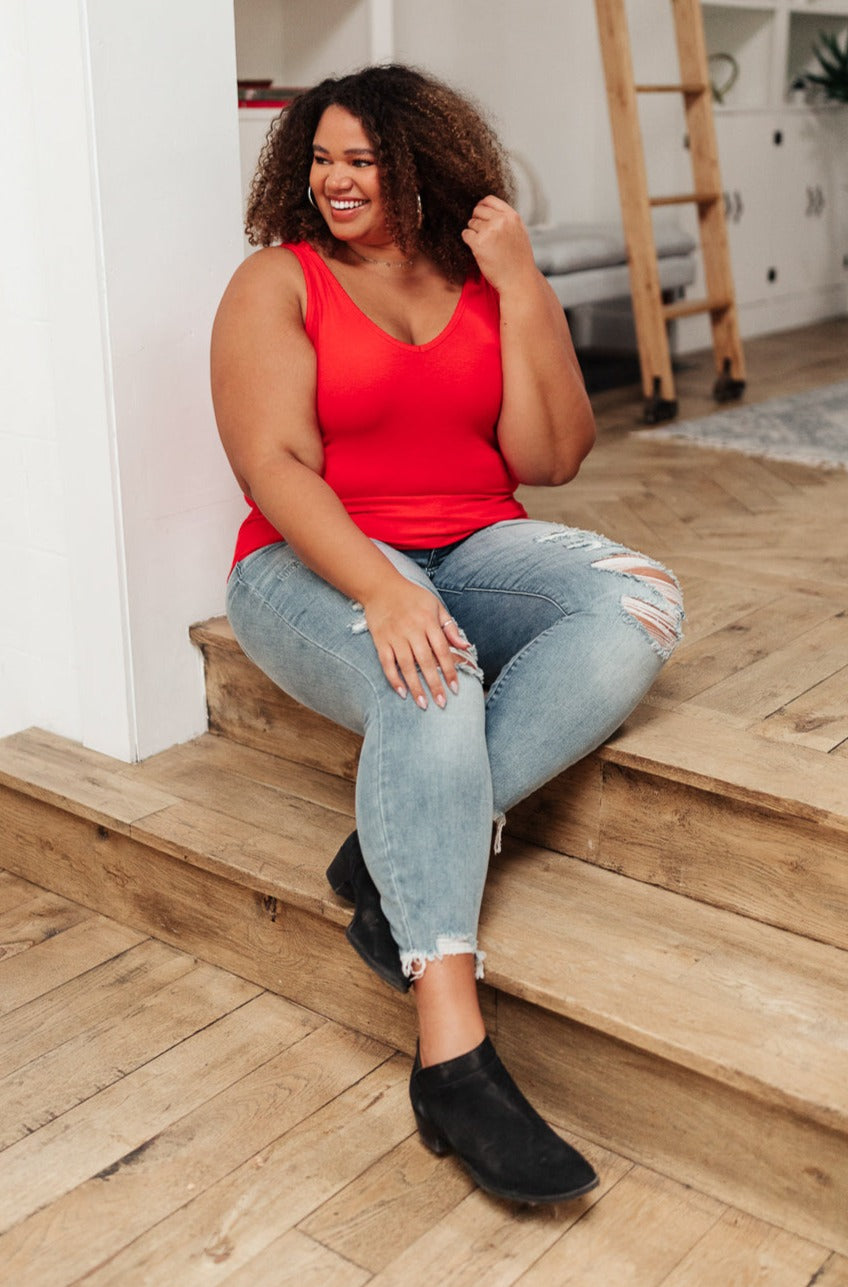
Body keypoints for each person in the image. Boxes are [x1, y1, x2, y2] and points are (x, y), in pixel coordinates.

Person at [212, 63, 683, 1205]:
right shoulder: (279, 281)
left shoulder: (479, 281)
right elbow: (272, 464)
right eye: (321, 159)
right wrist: (380, 589)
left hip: (473, 545)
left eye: (363, 161)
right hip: (308, 564)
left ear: (421, 163)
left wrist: (521, 282)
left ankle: (390, 853)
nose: (336, 180)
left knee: (639, 597)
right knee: (433, 675)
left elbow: (550, 457)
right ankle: (453, 1056)